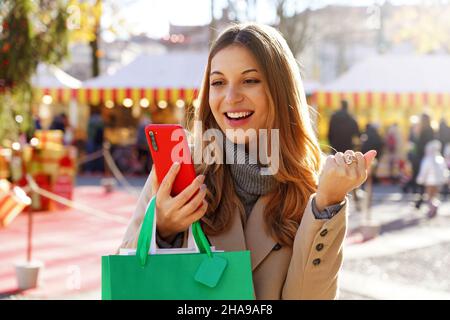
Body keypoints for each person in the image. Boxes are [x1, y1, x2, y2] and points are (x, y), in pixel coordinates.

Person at [118, 23, 377, 300]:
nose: (231, 97)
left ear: (280, 90)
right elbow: (131, 280)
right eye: (218, 83)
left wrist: (327, 203)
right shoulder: (179, 169)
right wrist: (164, 228)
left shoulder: (311, 185)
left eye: (250, 80)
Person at [416, 140, 449, 218]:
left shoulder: (427, 159)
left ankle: (432, 208)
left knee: (429, 197)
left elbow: (424, 171)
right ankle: (434, 207)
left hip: (429, 182)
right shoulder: (440, 159)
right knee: (435, 196)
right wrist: (444, 179)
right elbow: (444, 170)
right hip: (438, 182)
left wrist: (420, 179)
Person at [414, 113, 435, 209]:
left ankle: (423, 200)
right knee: (426, 180)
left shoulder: (426, 130)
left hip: (424, 158)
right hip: (426, 157)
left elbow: (422, 145)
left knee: (424, 179)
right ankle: (425, 200)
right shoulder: (429, 130)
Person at [86, 108, 105, 173]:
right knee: (97, 156)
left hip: (92, 139)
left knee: (91, 155)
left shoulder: (91, 119)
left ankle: (90, 169)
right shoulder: (100, 120)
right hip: (98, 140)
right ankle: (98, 169)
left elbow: (88, 131)